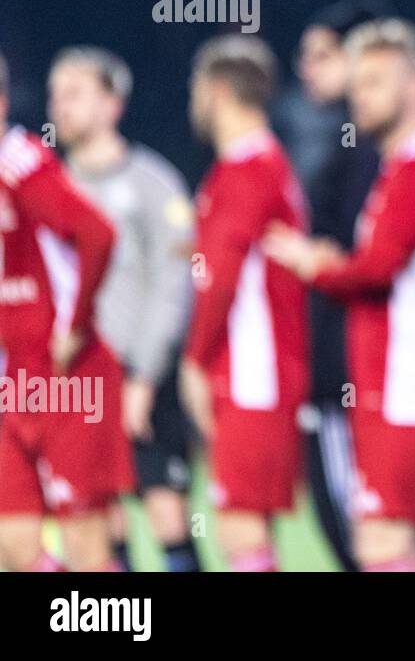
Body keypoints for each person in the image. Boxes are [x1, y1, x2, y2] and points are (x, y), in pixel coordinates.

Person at [263, 19, 415, 571]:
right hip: (400, 382)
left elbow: (376, 269)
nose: (362, 94)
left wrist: (315, 263)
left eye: (378, 81)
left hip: (411, 384)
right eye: (359, 82)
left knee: (380, 544)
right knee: (409, 545)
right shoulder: (404, 164)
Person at [47, 46, 199, 572]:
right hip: (75, 381)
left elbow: (172, 286)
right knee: (96, 517)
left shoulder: (152, 184)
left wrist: (145, 374)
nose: (59, 107)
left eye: (74, 93)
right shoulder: (48, 188)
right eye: (55, 94)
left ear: (113, 104)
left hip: (140, 376)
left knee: (165, 508)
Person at [273, 0, 392, 571]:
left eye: (321, 54)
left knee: (362, 533)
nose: (306, 67)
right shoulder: (344, 141)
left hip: (352, 367)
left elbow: (368, 259)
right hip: (346, 367)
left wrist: (314, 256)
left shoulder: (380, 148)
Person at [183, 35, 309, 572]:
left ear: (215, 90)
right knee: (251, 534)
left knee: (241, 535)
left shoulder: (246, 168)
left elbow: (221, 278)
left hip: (252, 373)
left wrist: (193, 360)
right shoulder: (262, 163)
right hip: (263, 371)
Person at [0, 49, 130, 571]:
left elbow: (97, 233)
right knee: (14, 546)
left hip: (64, 378)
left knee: (87, 552)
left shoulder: (20, 161)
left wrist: (73, 328)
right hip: (11, 381)